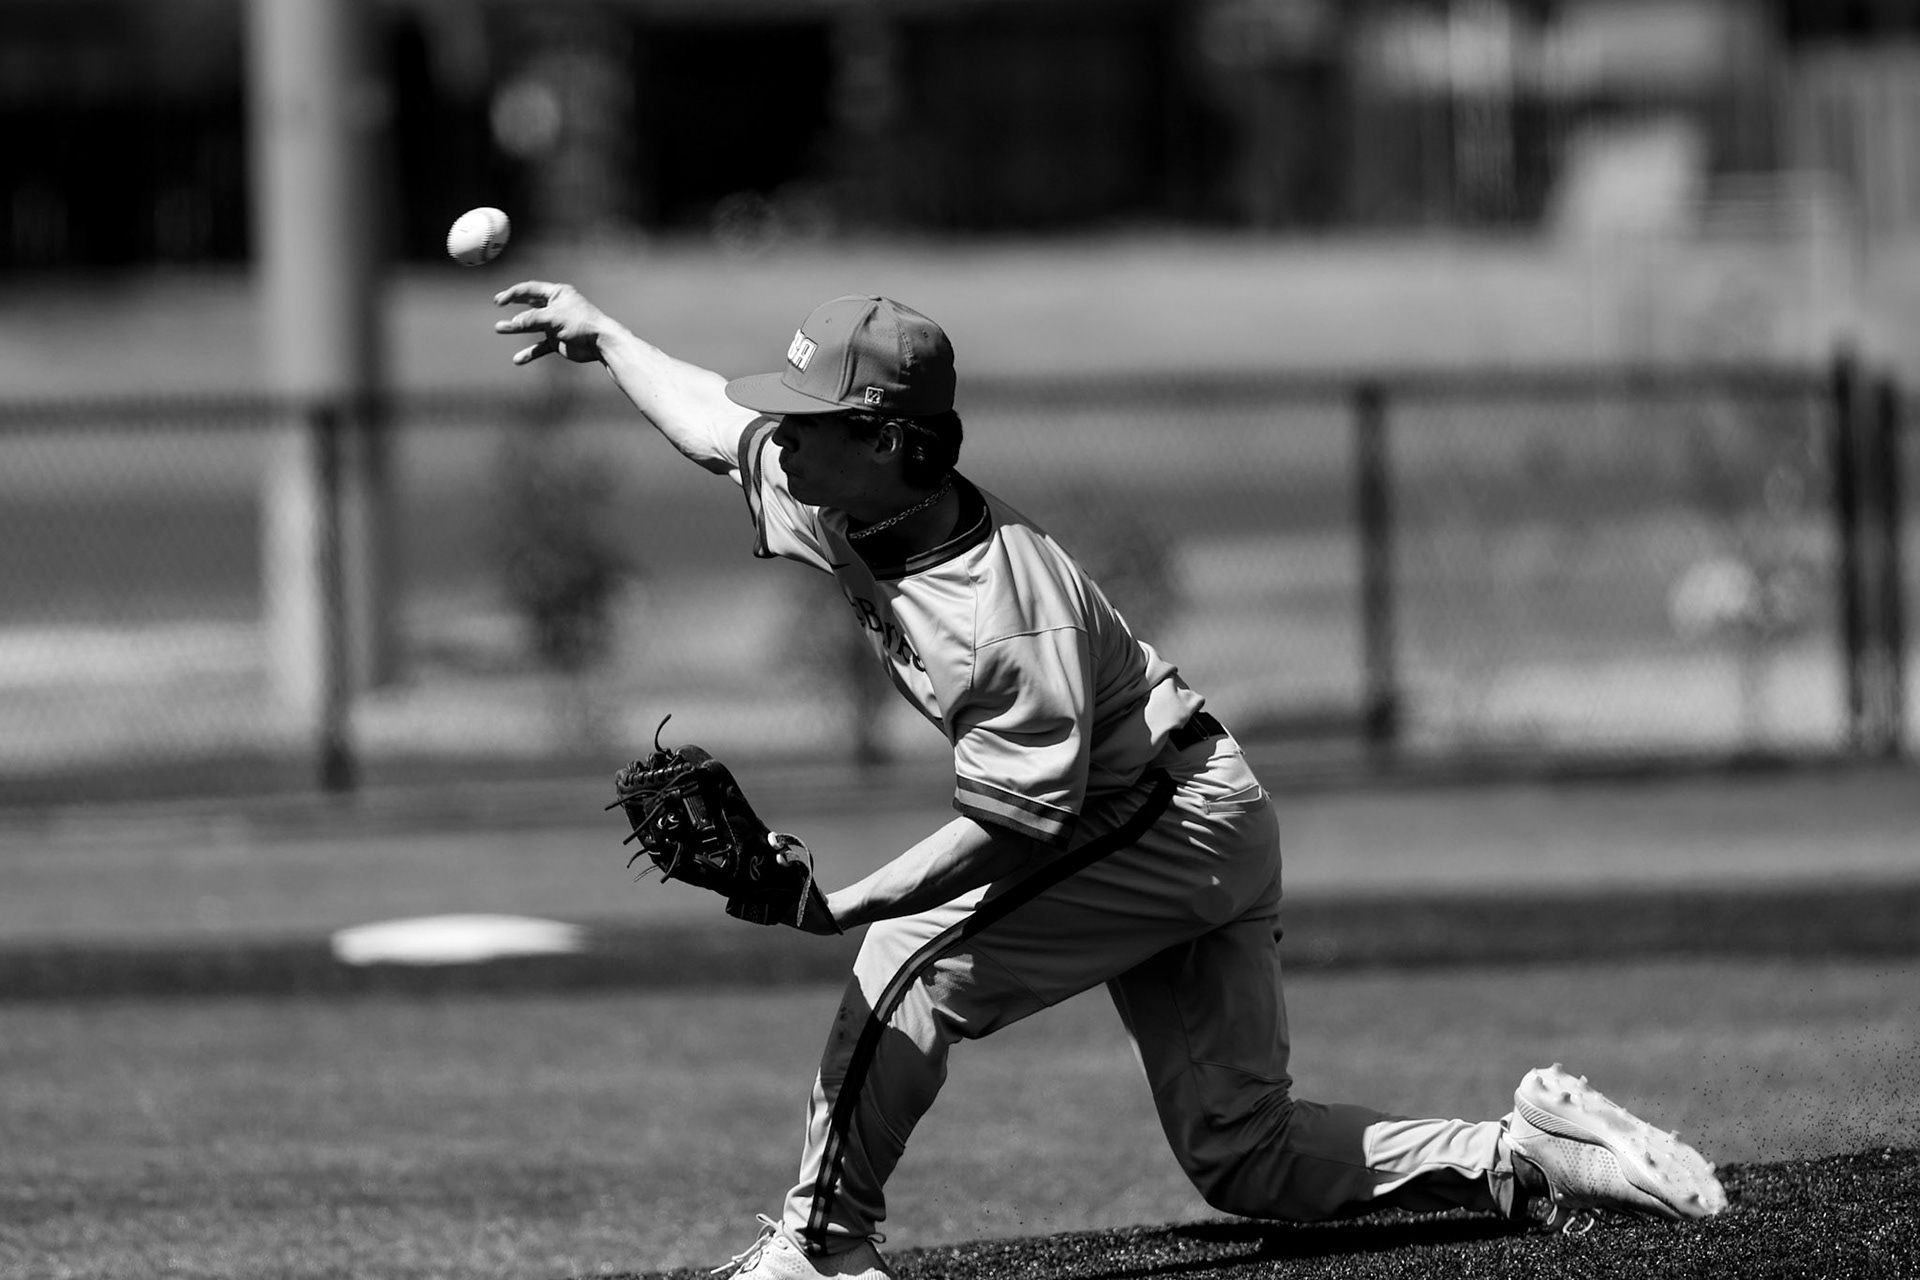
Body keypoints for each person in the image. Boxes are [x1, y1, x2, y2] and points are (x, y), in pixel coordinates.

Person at [491, 286, 1728, 1279]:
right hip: (1181, 802)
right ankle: (1528, 1155)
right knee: (1244, 1156)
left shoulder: (999, 617)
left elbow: (1005, 829)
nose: (784, 431)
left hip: (1165, 820)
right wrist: (604, 336)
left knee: (907, 963)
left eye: (810, 416)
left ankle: (819, 1246)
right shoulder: (839, 492)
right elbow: (715, 420)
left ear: (892, 440)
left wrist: (842, 901)